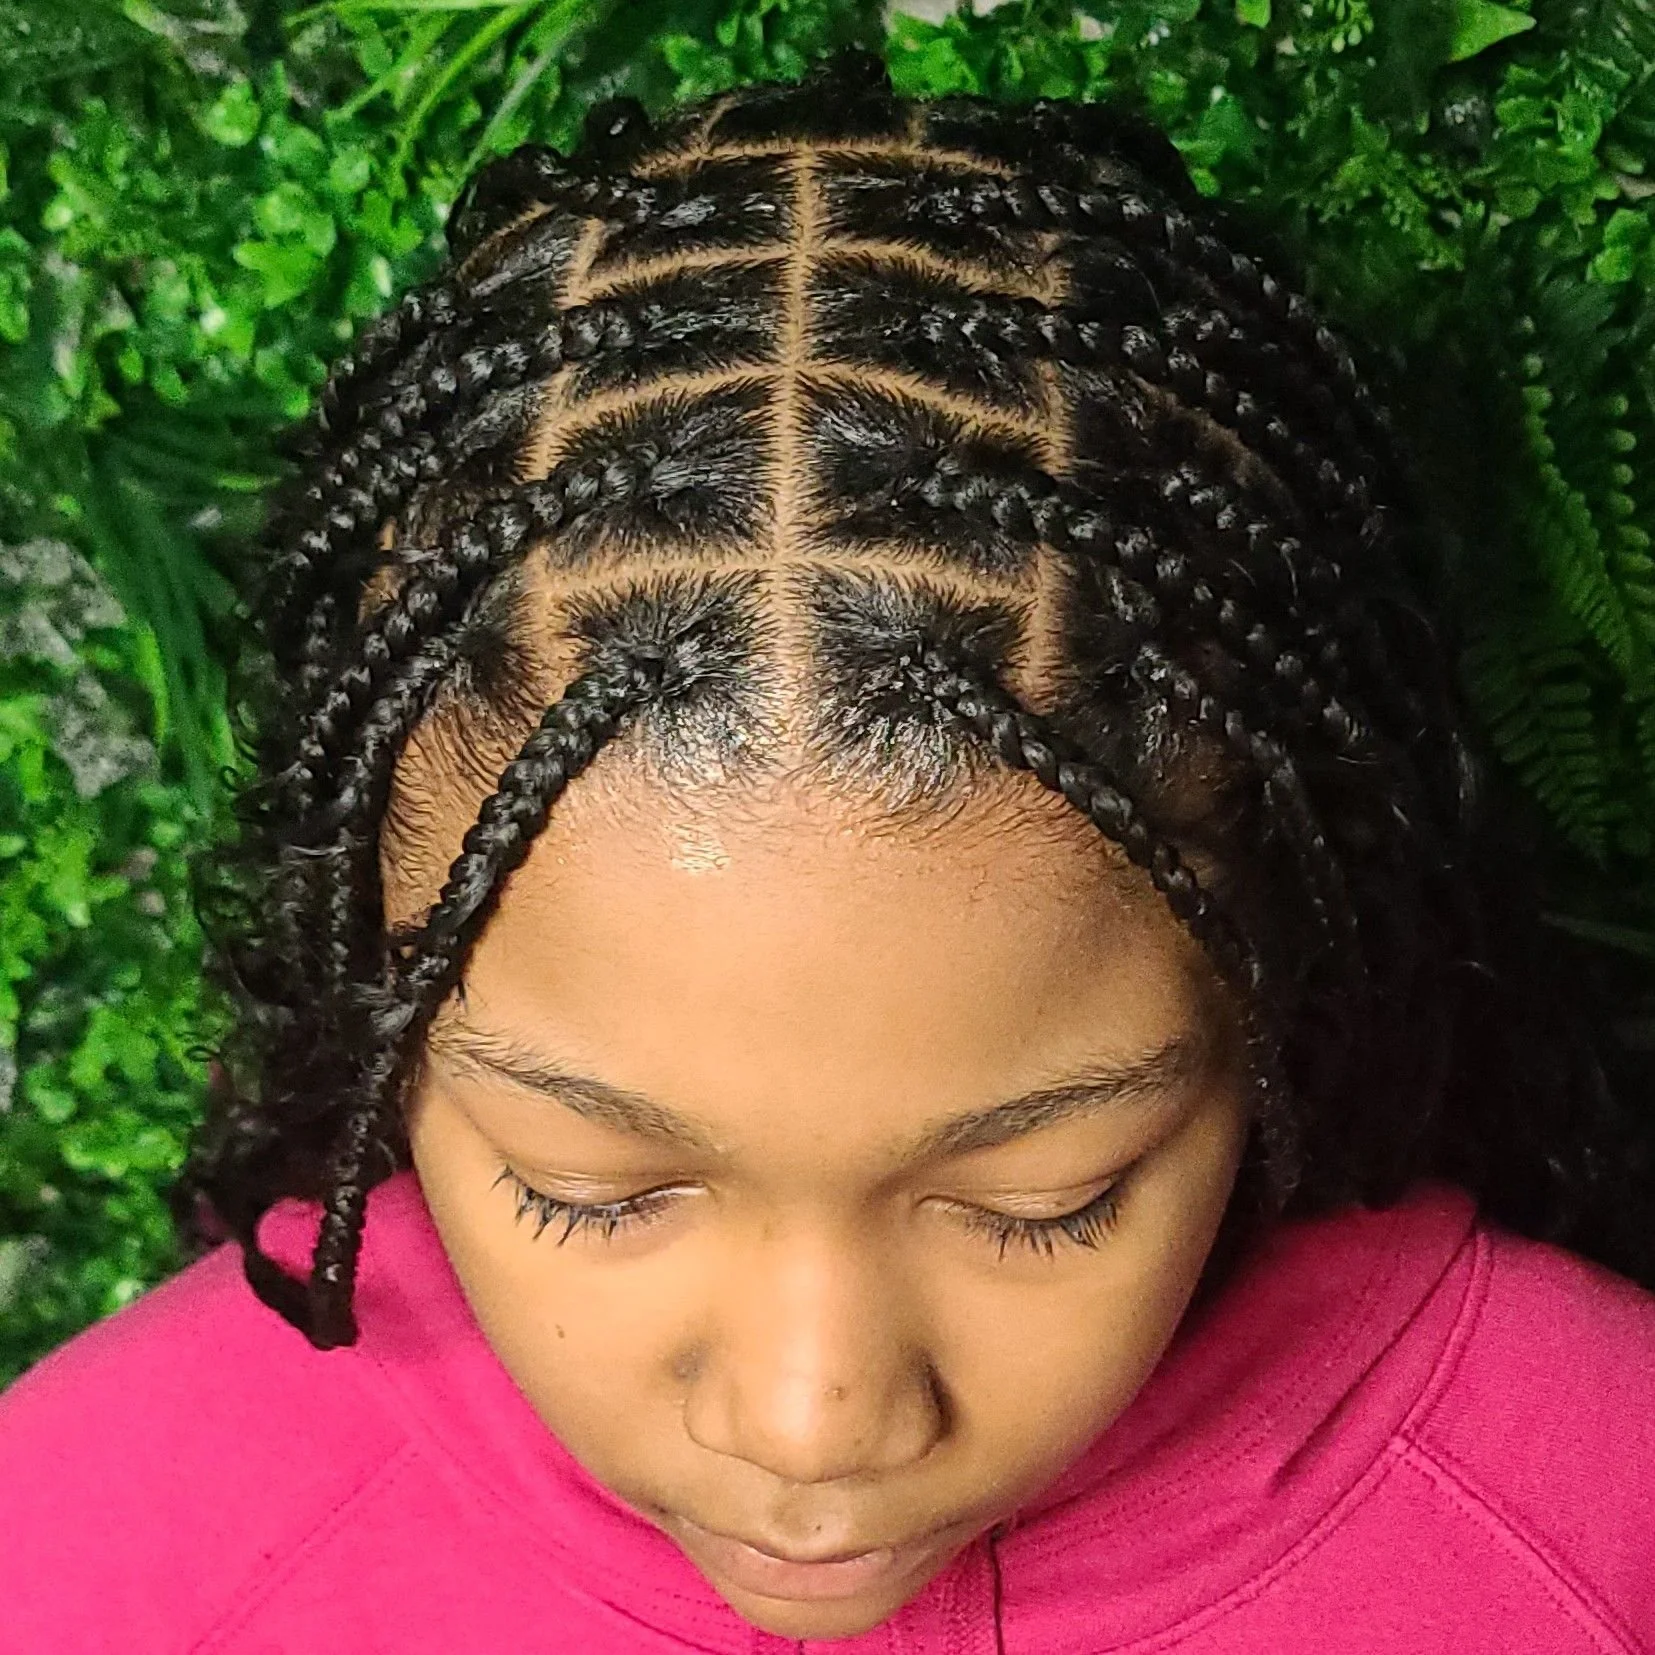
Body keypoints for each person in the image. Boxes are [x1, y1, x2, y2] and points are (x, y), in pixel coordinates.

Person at [2, 48, 1652, 1654]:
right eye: (590, 1191)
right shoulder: (83, 1552)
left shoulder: (1602, 1521)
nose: (812, 1417)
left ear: (1280, 988)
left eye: (1043, 1204)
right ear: (384, 1002)